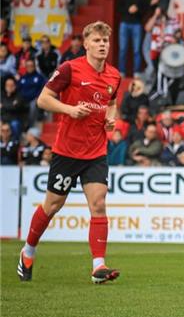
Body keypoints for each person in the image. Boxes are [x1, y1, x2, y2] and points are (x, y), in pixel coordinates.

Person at [17, 21, 122, 284]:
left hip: (96, 150)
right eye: (97, 40)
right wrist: (69, 110)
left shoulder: (114, 76)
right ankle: (28, 251)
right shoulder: (70, 69)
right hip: (67, 150)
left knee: (98, 204)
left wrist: (111, 120)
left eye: (105, 41)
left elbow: (112, 103)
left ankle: (99, 267)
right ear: (85, 44)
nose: (102, 45)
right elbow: (43, 99)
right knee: (53, 205)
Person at [116, 0, 147, 75]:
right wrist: (128, 10)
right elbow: (118, 8)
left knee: (137, 49)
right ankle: (121, 71)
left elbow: (145, 10)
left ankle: (136, 71)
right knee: (122, 49)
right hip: (124, 23)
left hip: (137, 24)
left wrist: (137, 10)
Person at [18, 59, 46, 123]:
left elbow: (43, 89)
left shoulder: (39, 77)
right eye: (28, 66)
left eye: (31, 66)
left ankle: (30, 124)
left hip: (34, 99)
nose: (29, 67)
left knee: (33, 106)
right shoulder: (23, 78)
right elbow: (18, 89)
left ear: (34, 66)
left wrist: (38, 97)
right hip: (23, 99)